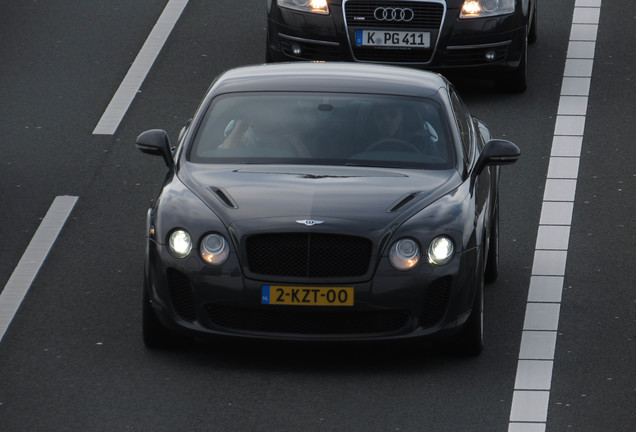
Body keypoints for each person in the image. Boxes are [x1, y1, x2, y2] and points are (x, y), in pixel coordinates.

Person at [217, 117, 311, 157]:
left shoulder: (286, 138)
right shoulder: (241, 138)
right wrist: (239, 125)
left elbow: (309, 166)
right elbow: (226, 151)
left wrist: (296, 142)